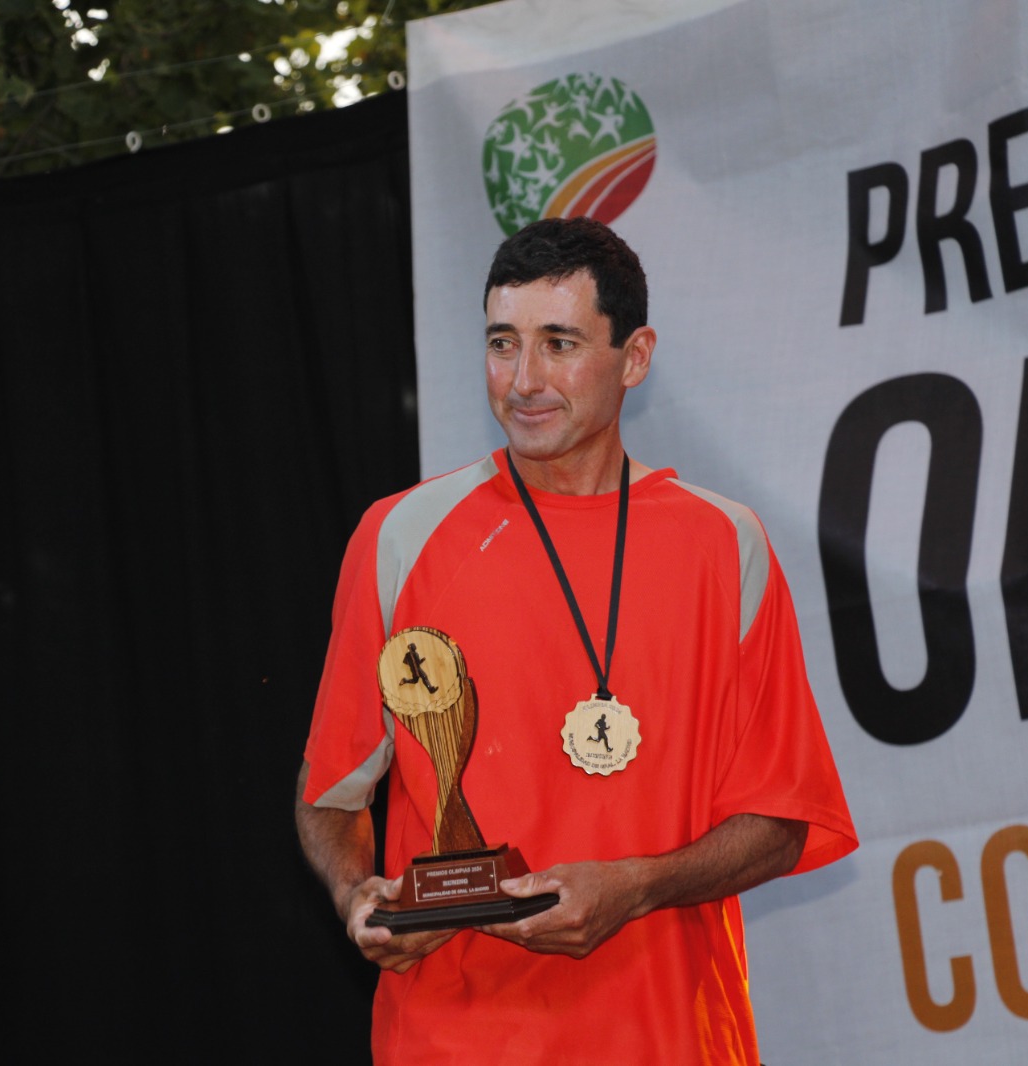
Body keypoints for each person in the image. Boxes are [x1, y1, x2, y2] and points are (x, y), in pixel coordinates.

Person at [295, 216, 856, 1064]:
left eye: (559, 344)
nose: (524, 380)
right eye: (502, 343)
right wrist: (354, 895)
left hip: (672, 1038)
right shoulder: (398, 537)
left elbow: (782, 819)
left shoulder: (724, 544)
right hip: (455, 1041)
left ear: (635, 357)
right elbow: (331, 792)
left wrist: (637, 887)